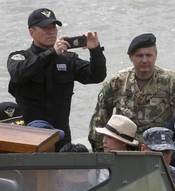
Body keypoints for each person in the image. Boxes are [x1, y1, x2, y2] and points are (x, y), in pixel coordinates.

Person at [8, 8, 107, 151]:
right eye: (45, 28)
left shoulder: (68, 59)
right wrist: (52, 53)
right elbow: (19, 74)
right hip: (30, 135)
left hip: (61, 137)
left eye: (53, 27)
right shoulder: (19, 57)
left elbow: (96, 76)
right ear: (32, 32)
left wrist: (95, 50)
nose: (51, 31)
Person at [88, 33, 175, 151]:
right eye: (139, 55)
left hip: (159, 150)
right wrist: (101, 153)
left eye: (148, 55)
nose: (144, 60)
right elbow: (99, 119)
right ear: (130, 57)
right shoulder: (117, 82)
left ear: (156, 55)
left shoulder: (172, 83)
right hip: (124, 150)